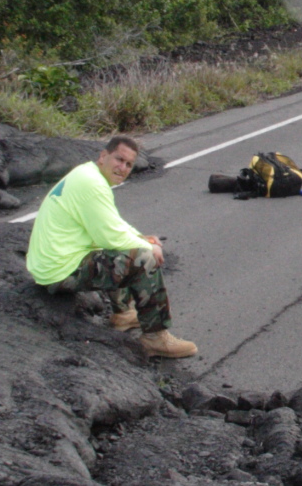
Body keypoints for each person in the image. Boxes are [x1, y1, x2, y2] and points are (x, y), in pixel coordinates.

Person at [25, 135, 198, 359]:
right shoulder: (92, 185)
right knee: (143, 257)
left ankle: (123, 314)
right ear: (103, 156)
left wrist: (140, 237)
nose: (123, 168)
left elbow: (111, 223)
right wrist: (148, 247)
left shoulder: (87, 174)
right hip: (58, 272)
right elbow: (111, 237)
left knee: (128, 247)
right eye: (119, 159)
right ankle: (155, 337)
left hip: (50, 264)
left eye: (129, 164)